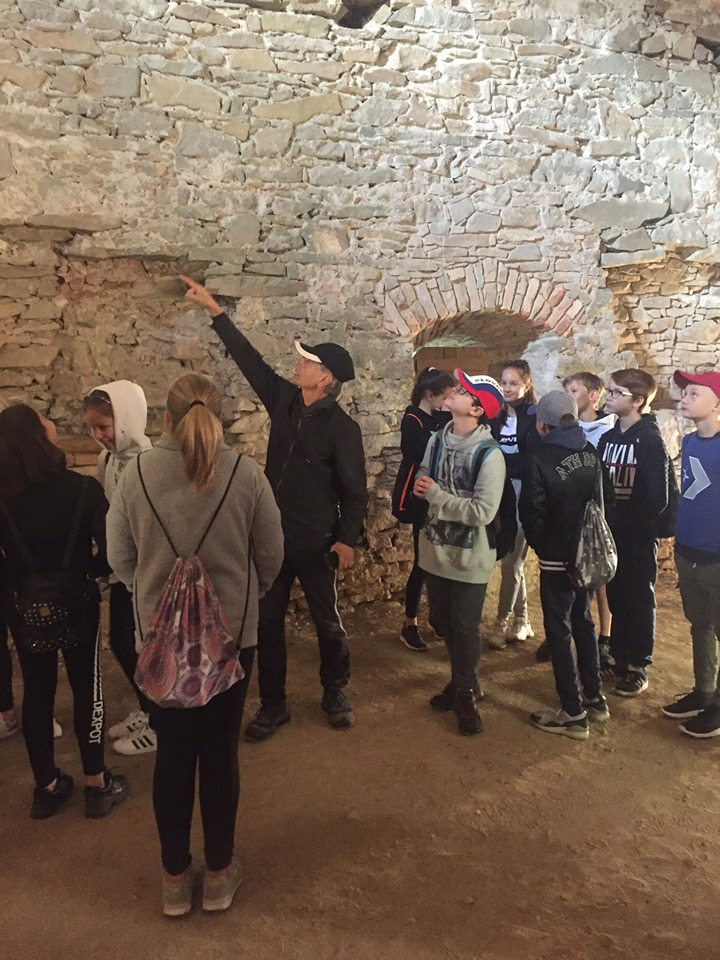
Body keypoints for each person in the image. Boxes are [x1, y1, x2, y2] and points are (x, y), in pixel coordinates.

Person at [107, 374, 284, 917]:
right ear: (221, 417)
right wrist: (239, 599)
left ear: (164, 418)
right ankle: (220, 875)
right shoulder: (245, 474)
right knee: (220, 751)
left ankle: (174, 879)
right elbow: (271, 555)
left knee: (173, 754)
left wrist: (156, 598)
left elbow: (119, 558)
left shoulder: (136, 474)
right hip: (231, 636)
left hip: (160, 642)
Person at [180, 275, 368, 742]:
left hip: (317, 542)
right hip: (271, 539)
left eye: (307, 362)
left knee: (327, 622)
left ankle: (334, 690)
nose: (297, 364)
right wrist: (215, 311)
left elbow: (355, 491)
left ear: (326, 378)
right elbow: (250, 360)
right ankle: (273, 704)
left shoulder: (343, 430)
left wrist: (346, 539)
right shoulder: (284, 400)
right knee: (267, 623)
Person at [0, 404, 129, 819]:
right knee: (87, 686)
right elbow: (111, 553)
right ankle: (96, 783)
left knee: (37, 692)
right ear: (38, 437)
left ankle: (48, 787)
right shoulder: (82, 490)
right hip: (77, 602)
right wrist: (86, 572)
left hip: (24, 607)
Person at [414, 370, 505, 735]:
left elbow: (483, 512)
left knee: (465, 626)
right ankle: (462, 679)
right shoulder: (437, 440)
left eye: (463, 390)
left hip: (470, 557)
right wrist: (422, 482)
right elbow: (425, 471)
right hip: (435, 549)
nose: (454, 390)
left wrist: (435, 495)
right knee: (442, 620)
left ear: (478, 410)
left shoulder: (490, 454)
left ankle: (465, 692)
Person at [519, 392, 607, 739]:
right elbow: (604, 502)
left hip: (556, 557)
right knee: (583, 621)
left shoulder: (539, 456)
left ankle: (572, 712)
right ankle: (594, 697)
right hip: (587, 554)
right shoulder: (590, 451)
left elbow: (532, 511)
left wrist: (542, 546)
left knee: (559, 631)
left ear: (543, 425)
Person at [83, 382, 156, 756]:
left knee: (140, 646)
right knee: (124, 643)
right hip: (121, 567)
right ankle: (148, 709)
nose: (99, 435)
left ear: (126, 419)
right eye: (93, 428)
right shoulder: (107, 460)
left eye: (104, 426)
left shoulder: (148, 464)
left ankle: (158, 723)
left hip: (143, 571)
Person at [597, 369, 672, 697]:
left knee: (639, 597)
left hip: (637, 535)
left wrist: (636, 525)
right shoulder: (609, 438)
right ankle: (619, 654)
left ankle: (639, 664)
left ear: (638, 401)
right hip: (611, 532)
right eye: (610, 390)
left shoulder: (649, 440)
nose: (609, 396)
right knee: (616, 595)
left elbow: (658, 495)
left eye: (617, 392)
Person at [535, 372, 617, 664]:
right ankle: (590, 683)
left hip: (578, 533)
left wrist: (541, 542)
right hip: (575, 531)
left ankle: (603, 640)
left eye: (574, 390)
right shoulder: (581, 443)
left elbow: (535, 506)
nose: (569, 395)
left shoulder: (605, 433)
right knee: (577, 609)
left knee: (587, 595)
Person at [662, 370, 720, 738]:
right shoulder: (690, 441)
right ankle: (704, 692)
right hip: (688, 549)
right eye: (685, 392)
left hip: (717, 556)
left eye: (695, 393)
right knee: (700, 624)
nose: (684, 398)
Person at [392, 366, 455, 651]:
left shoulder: (439, 417)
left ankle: (436, 616)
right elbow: (425, 451)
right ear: (430, 395)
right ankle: (410, 623)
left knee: (439, 560)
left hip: (436, 495)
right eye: (446, 396)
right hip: (417, 497)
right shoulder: (412, 419)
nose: (449, 402)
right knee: (422, 562)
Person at [488, 359, 537, 649]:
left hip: (522, 493)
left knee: (511, 561)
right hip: (499, 492)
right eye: (503, 382)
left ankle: (502, 621)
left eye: (513, 383)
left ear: (526, 385)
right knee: (512, 561)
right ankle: (523, 619)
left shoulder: (534, 417)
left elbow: (534, 458)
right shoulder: (495, 417)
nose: (507, 388)